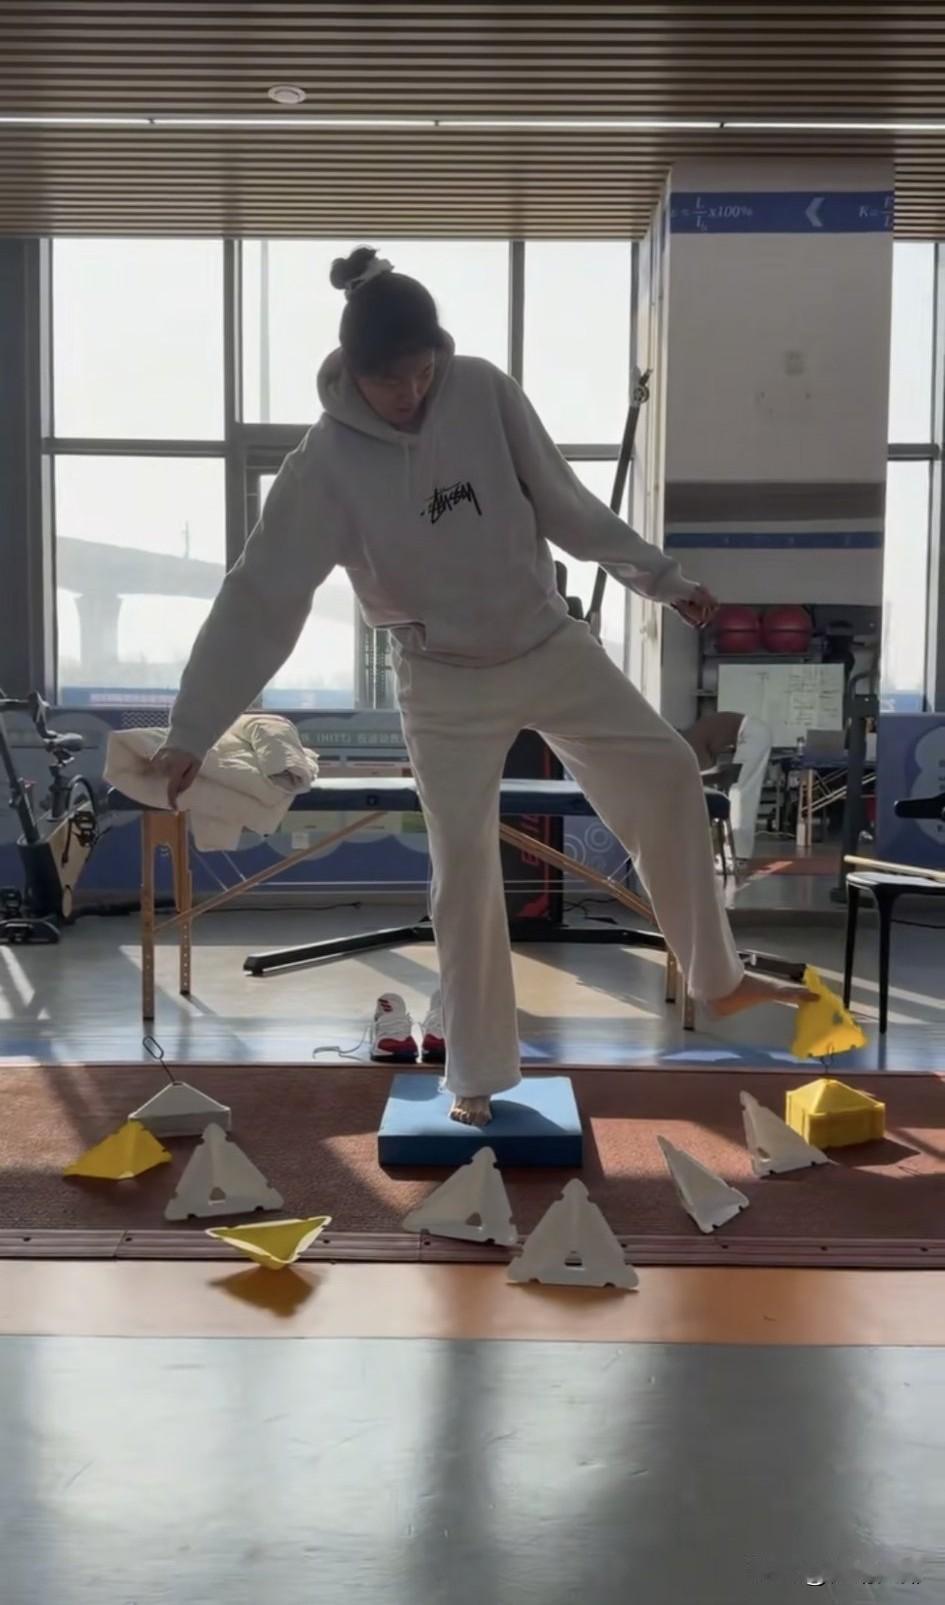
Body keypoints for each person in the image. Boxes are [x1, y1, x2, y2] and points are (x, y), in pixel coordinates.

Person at [152, 247, 812, 1127]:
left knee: (663, 770)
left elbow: (566, 503)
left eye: (424, 372)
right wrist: (192, 730)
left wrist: (660, 578)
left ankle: (717, 977)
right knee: (463, 872)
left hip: (547, 641)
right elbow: (259, 601)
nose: (412, 393)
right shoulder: (323, 467)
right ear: (352, 370)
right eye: (392, 381)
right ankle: (474, 1072)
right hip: (442, 681)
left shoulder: (483, 391)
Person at [681, 709, 772, 860]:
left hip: (751, 734)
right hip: (753, 732)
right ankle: (736, 852)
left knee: (739, 793)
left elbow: (708, 776)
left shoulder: (691, 744)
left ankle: (736, 854)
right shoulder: (690, 737)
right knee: (741, 793)